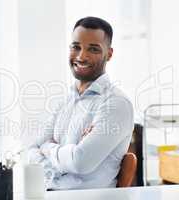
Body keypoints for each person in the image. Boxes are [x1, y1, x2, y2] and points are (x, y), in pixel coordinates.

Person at [28, 16, 134, 190]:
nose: (81, 56)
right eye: (76, 47)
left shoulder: (116, 103)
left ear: (109, 54)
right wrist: (65, 155)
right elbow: (32, 150)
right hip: (51, 193)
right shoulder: (65, 99)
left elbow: (80, 163)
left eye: (93, 49)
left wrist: (48, 148)